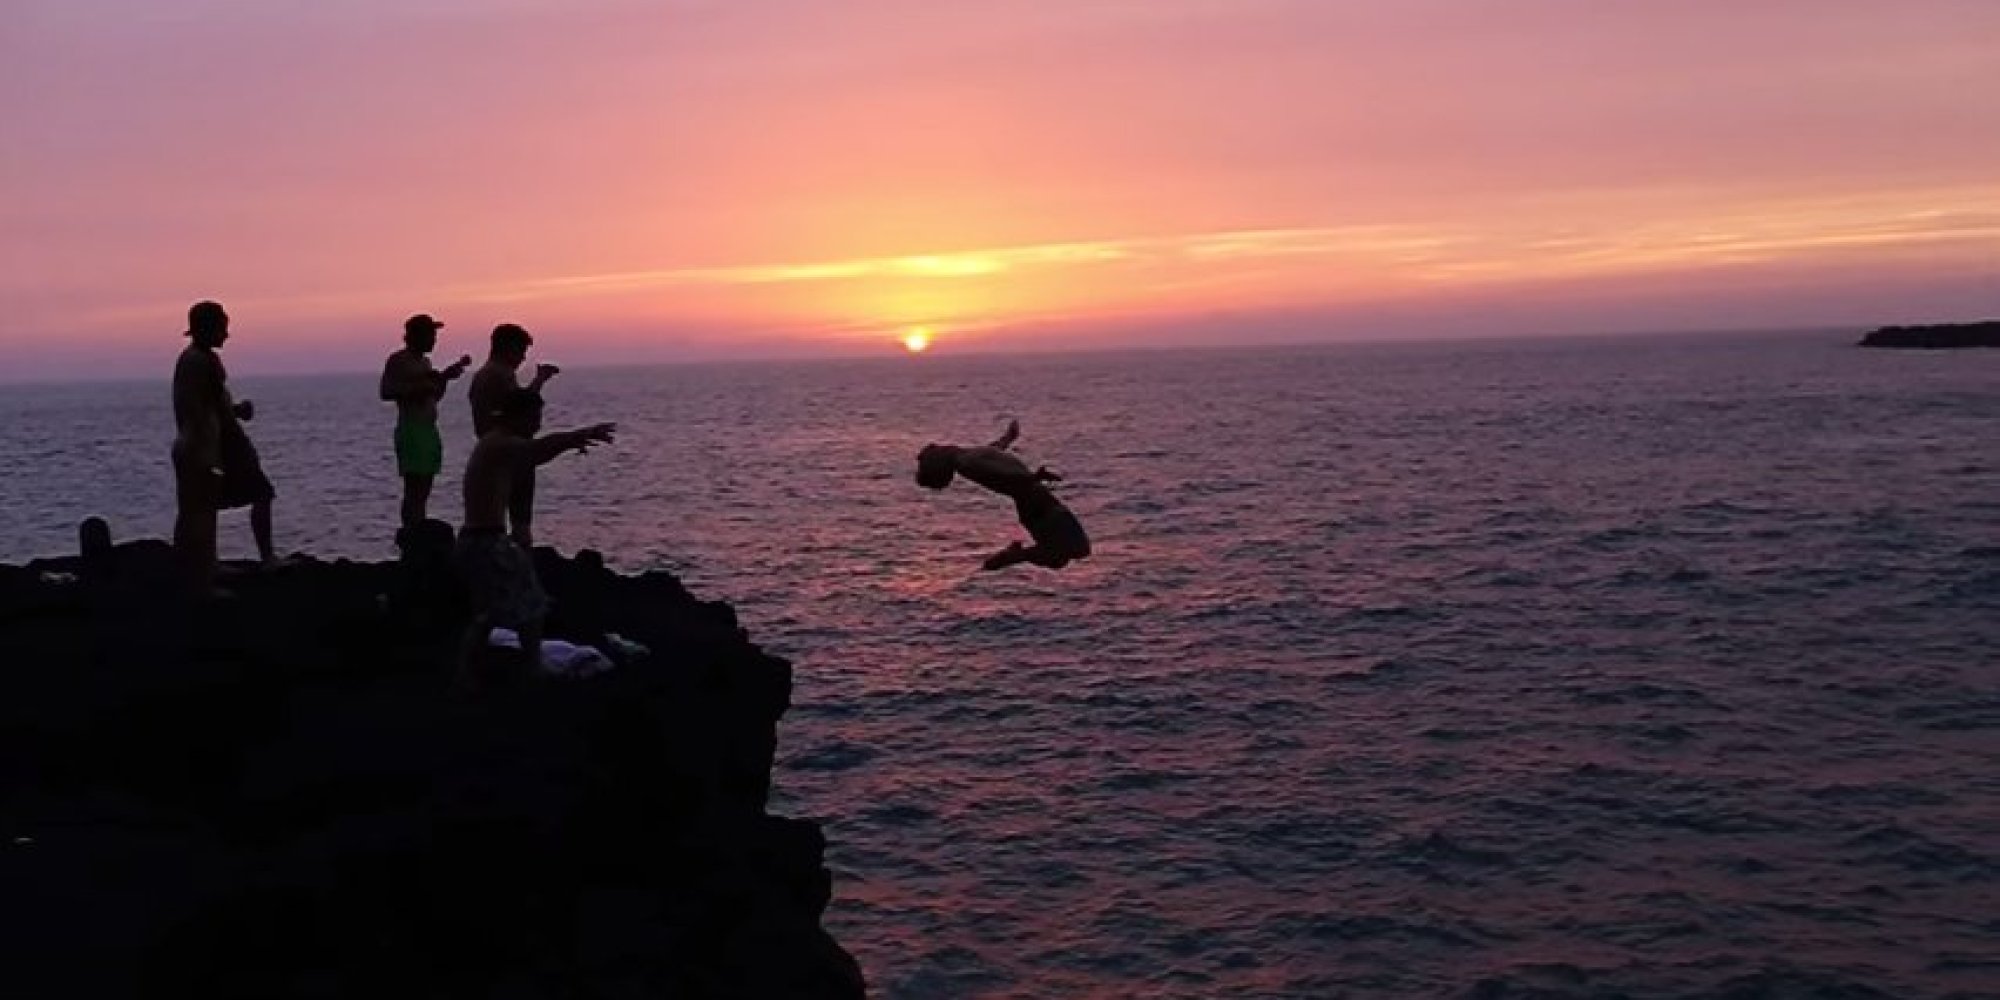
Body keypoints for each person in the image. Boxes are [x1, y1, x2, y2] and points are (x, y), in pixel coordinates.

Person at [456, 388, 615, 684]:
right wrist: (577, 436)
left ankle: (466, 673)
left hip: (477, 539)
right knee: (532, 604)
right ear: (518, 416)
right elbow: (536, 450)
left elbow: (534, 455)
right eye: (535, 417)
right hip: (486, 541)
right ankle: (531, 667)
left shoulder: (495, 444)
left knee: (488, 613)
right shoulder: (499, 443)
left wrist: (572, 440)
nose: (538, 424)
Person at [171, 300, 278, 595]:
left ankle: (200, 568)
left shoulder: (190, 359)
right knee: (204, 513)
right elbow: (216, 409)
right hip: (203, 449)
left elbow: (208, 405)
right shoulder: (205, 362)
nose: (226, 335)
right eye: (222, 328)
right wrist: (238, 425)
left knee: (195, 511)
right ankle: (203, 582)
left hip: (191, 446)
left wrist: (233, 412)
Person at [915, 419, 1091, 571]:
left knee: (1059, 558)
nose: (937, 446)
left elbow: (994, 452)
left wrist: (1009, 437)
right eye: (934, 449)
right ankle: (1015, 556)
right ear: (938, 458)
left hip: (1034, 504)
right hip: (1036, 504)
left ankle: (1015, 556)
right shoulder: (967, 463)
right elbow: (1000, 474)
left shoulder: (968, 456)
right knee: (1077, 550)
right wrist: (1033, 477)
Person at [467, 324, 559, 546]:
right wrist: (539, 382)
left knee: (502, 509)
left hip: (499, 449)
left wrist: (538, 381)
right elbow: (519, 408)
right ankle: (519, 557)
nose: (522, 358)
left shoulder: (486, 375)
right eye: (521, 352)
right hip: (509, 452)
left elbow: (519, 405)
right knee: (519, 514)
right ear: (508, 348)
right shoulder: (499, 375)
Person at [379, 313, 471, 530]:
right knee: (414, 490)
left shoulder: (425, 362)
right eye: (430, 335)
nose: (434, 340)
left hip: (429, 429)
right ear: (416, 336)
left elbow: (433, 397)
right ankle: (411, 533)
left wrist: (444, 380)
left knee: (424, 489)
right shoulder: (399, 360)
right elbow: (386, 392)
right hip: (412, 429)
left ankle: (418, 530)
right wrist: (419, 387)